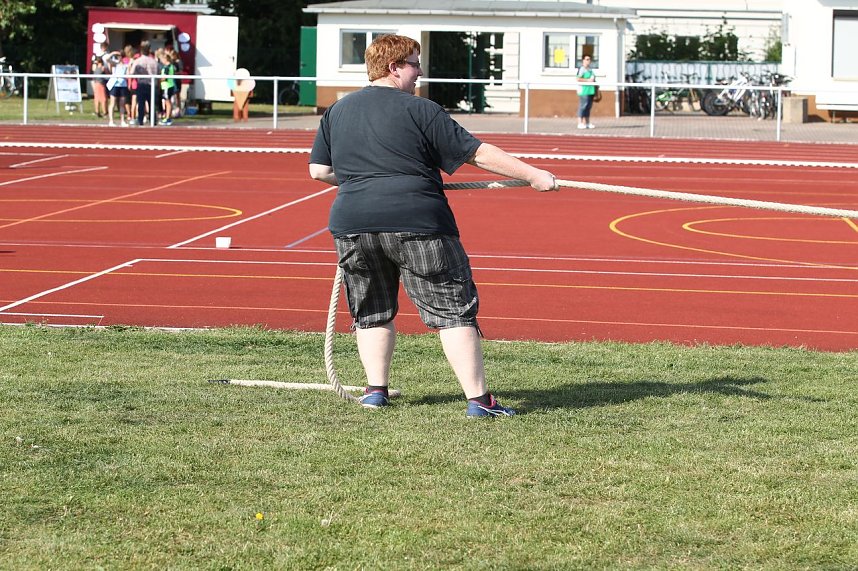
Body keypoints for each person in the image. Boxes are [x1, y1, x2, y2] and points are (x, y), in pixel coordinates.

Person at [308, 34, 557, 418]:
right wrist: (533, 174)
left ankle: (376, 391)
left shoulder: (337, 111)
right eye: (413, 63)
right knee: (453, 310)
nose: (419, 71)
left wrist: (369, 179)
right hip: (418, 223)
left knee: (372, 310)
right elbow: (477, 153)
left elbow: (319, 171)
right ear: (394, 68)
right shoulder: (421, 110)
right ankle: (479, 401)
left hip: (353, 224)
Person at [130, 41, 158, 126]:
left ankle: (140, 120)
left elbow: (131, 73)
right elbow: (158, 73)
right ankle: (153, 120)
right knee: (152, 103)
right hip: (152, 84)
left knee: (141, 103)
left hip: (142, 84)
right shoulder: (154, 62)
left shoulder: (137, 61)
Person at [576, 54, 597, 129]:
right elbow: (578, 79)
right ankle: (580, 122)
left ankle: (587, 122)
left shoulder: (590, 70)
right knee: (583, 106)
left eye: (589, 59)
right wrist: (588, 80)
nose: (588, 61)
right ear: (583, 60)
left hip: (590, 90)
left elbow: (593, 79)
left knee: (588, 107)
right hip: (584, 91)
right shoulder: (582, 69)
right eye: (587, 59)